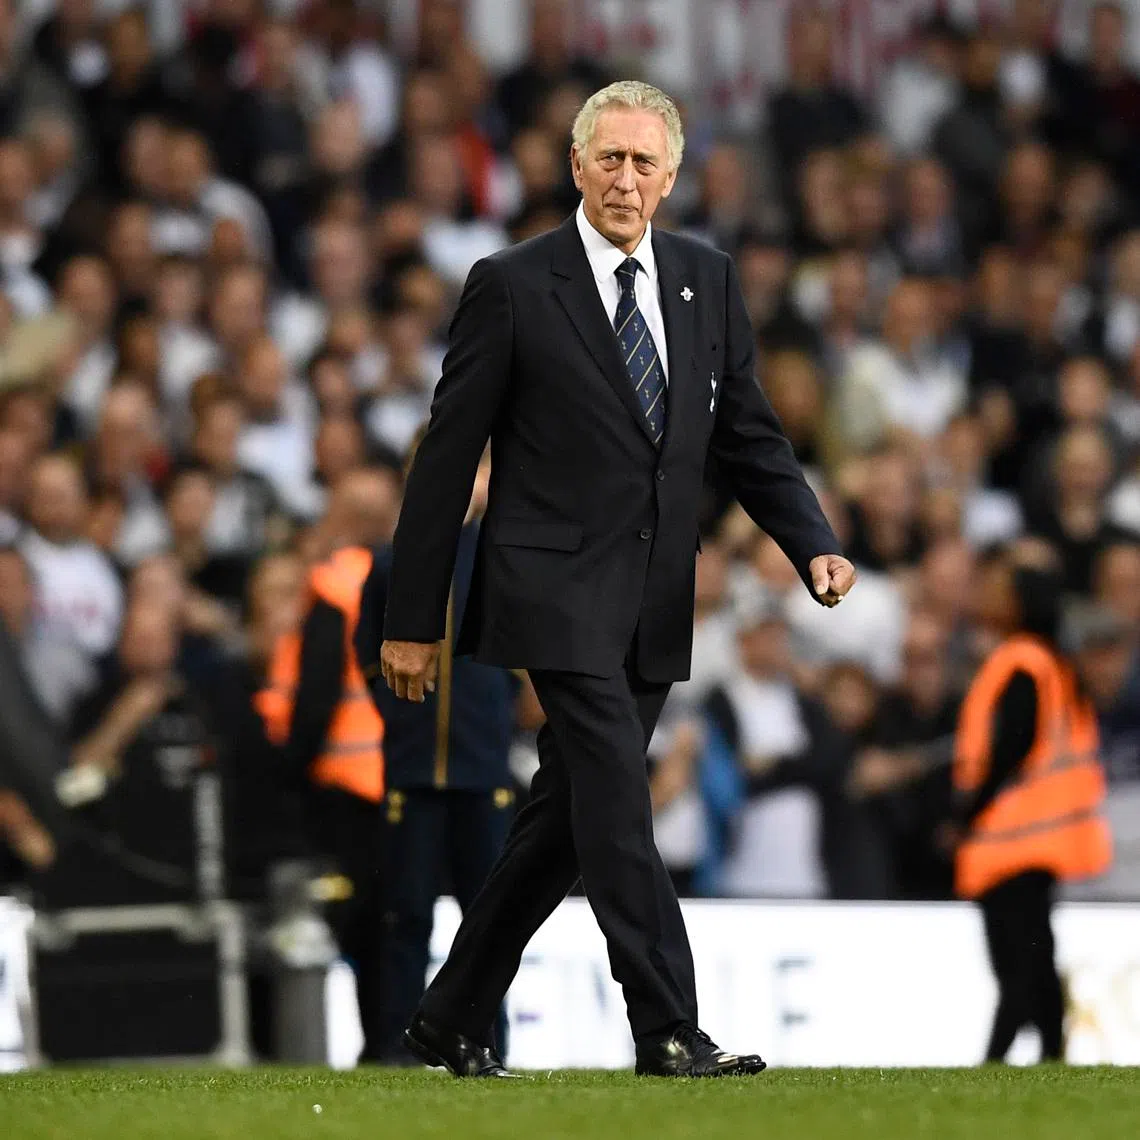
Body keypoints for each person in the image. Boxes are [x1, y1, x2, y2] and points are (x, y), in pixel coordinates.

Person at [379, 80, 856, 1079]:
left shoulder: (706, 278)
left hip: (651, 599)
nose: (626, 179)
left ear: (672, 176)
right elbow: (444, 457)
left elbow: (749, 436)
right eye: (610, 158)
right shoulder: (510, 282)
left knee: (567, 819)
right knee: (617, 794)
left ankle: (448, 1015)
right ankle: (668, 1027)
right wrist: (412, 615)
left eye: (645, 162)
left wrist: (808, 538)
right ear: (575, 166)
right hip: (548, 591)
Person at [357, 440, 518, 1063]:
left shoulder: (502, 554)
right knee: (405, 917)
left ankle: (484, 1040)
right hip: (415, 769)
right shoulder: (395, 559)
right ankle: (395, 1043)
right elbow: (367, 648)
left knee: (490, 922)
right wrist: (399, 713)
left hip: (482, 772)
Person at [952, 546, 1113, 1063]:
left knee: (1016, 962)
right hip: (1046, 835)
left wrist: (969, 810)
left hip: (1013, 837)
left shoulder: (1022, 663)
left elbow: (1012, 747)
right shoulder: (1054, 665)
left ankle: (996, 1059)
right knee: (1037, 957)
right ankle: (1051, 1051)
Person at [255, 467, 392, 1061]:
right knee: (394, 921)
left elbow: (316, 697)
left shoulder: (336, 586)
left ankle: (374, 1043)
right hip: (399, 776)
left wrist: (289, 772)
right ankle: (394, 1040)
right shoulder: (402, 578)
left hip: (343, 785)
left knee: (354, 923)